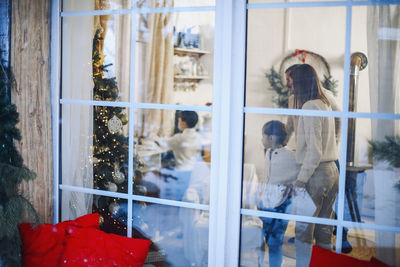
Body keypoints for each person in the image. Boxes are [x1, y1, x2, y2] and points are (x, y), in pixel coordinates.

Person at [290, 64, 339, 267]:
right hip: (332, 171)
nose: (290, 87)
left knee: (303, 229)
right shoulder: (324, 102)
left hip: (316, 174)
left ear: (300, 82)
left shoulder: (309, 106)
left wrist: (301, 179)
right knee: (324, 228)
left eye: (292, 82)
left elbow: (315, 151)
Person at [257, 120, 299, 267]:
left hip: (281, 205)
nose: (261, 139)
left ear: (271, 138)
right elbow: (266, 176)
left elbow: (299, 177)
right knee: (261, 239)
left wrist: (291, 187)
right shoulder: (268, 152)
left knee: (275, 242)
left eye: (263, 136)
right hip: (266, 204)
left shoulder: (291, 156)